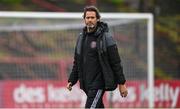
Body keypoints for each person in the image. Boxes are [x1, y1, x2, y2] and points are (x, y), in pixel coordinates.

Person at [67, 5, 128, 108]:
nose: (90, 20)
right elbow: (77, 62)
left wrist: (121, 83)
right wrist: (72, 80)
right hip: (86, 83)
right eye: (87, 17)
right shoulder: (81, 38)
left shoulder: (106, 38)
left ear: (98, 19)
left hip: (99, 83)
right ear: (84, 19)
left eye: (92, 17)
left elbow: (116, 62)